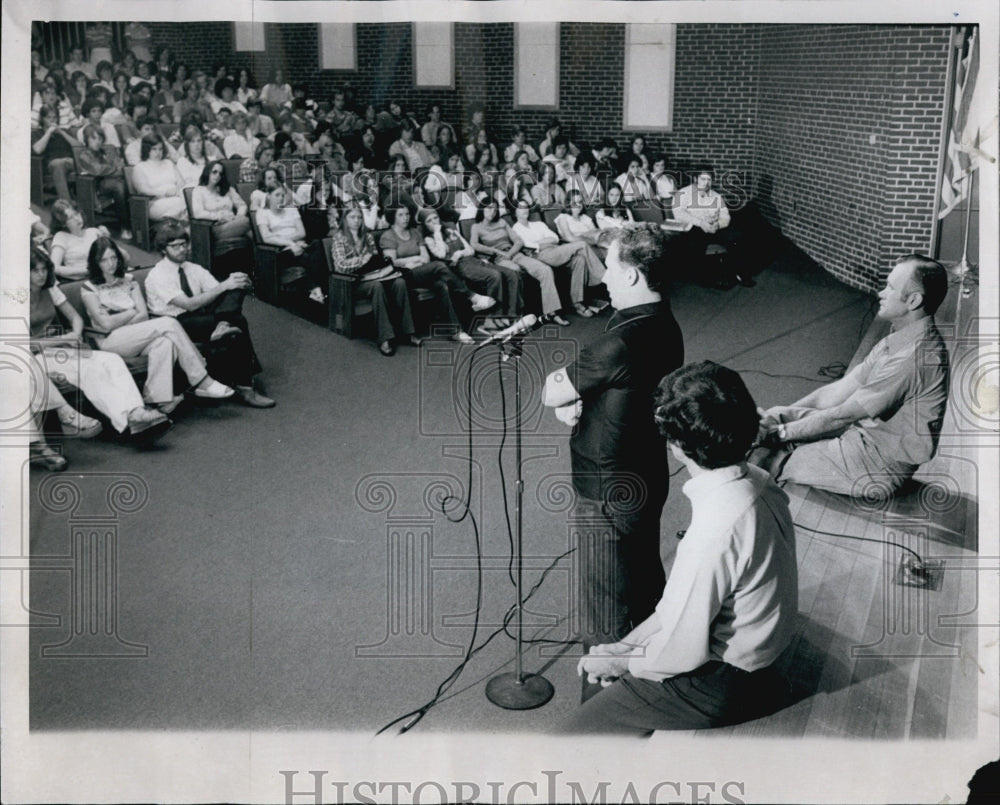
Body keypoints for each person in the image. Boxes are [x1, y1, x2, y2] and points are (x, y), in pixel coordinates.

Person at [562, 360, 797, 735]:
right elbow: (675, 613)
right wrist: (623, 647)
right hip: (758, 656)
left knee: (564, 740)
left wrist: (622, 664)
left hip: (727, 681)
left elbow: (681, 651)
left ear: (675, 447)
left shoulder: (714, 530)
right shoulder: (758, 480)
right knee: (608, 670)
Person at [541, 224, 684, 650]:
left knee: (606, 612)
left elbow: (552, 389)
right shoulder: (665, 324)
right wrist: (590, 401)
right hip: (646, 476)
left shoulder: (617, 342)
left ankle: (604, 705)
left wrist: (572, 398)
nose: (603, 277)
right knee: (642, 584)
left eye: (609, 267)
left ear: (633, 275)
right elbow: (631, 390)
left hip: (607, 490)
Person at [753, 255, 951, 497]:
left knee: (766, 458)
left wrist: (778, 434)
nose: (881, 293)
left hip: (878, 466)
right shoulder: (900, 337)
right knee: (774, 414)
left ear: (913, 300)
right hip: (862, 434)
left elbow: (841, 416)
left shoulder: (912, 358)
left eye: (889, 287)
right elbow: (841, 389)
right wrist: (781, 421)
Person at [29, 246, 171, 442]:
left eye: (44, 269)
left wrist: (75, 334)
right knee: (89, 371)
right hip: (36, 356)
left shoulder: (51, 289)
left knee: (111, 361)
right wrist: (64, 339)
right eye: (35, 270)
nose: (41, 274)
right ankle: (128, 419)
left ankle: (137, 411)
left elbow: (75, 318)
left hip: (65, 346)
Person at [80, 237, 234, 413]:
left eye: (113, 258)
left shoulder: (129, 280)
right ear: (95, 262)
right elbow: (106, 324)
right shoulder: (89, 287)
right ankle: (201, 380)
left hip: (136, 336)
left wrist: (122, 318)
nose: (111, 264)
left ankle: (156, 400)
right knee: (169, 323)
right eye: (104, 260)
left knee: (165, 343)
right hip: (110, 341)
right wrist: (131, 313)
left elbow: (143, 314)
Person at [144, 221, 274, 408]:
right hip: (175, 325)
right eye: (175, 246)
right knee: (237, 320)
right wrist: (224, 286)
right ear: (163, 249)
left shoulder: (193, 268)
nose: (182, 249)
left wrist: (236, 283)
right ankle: (245, 387)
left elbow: (217, 293)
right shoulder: (157, 275)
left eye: (184, 244)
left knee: (234, 290)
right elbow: (188, 305)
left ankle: (222, 325)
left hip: (201, 317)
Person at [379, 204, 488, 344]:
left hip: (421, 271)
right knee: (439, 266)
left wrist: (415, 261)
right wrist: (415, 259)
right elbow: (393, 262)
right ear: (392, 217)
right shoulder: (387, 236)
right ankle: (471, 295)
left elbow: (426, 259)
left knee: (442, 285)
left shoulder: (415, 232)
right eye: (400, 215)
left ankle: (455, 331)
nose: (405, 218)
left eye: (407, 214)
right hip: (403, 276)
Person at [330, 204, 421, 357]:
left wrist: (372, 263)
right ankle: (384, 338)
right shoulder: (339, 238)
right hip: (353, 282)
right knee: (377, 287)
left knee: (399, 282)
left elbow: (375, 258)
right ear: (345, 219)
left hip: (372, 275)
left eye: (359, 217)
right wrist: (361, 260)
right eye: (352, 217)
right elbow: (340, 266)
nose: (357, 221)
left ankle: (407, 331)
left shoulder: (368, 236)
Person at [469, 200, 569, 327]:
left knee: (545, 270)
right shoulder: (476, 227)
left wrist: (510, 253)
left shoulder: (502, 222)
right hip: (498, 259)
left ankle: (552, 313)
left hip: (515, 253)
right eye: (488, 208)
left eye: (495, 209)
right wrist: (494, 250)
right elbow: (474, 245)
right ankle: (517, 315)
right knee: (515, 271)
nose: (492, 212)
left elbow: (518, 241)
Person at [510, 199, 604, 319]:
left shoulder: (538, 224)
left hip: (554, 249)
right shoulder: (515, 229)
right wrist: (543, 242)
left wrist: (540, 242)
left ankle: (577, 302)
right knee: (582, 245)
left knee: (580, 259)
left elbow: (555, 238)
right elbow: (527, 245)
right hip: (540, 255)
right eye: (521, 207)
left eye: (527, 207)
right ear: (515, 211)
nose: (525, 210)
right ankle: (605, 278)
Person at [421, 208, 515, 323]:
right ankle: (493, 320)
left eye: (435, 218)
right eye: (429, 221)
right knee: (494, 275)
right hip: (460, 267)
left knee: (510, 273)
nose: (435, 222)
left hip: (473, 260)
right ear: (424, 225)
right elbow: (441, 254)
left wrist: (459, 253)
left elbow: (470, 250)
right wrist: (437, 233)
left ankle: (510, 315)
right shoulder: (429, 239)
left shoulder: (451, 229)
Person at [255, 184, 329, 303]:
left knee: (318, 244)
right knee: (309, 257)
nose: (280, 198)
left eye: (283, 195)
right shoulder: (262, 213)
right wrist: (290, 243)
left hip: (299, 245)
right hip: (280, 251)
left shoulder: (292, 209)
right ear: (269, 196)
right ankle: (319, 289)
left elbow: (302, 232)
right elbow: (267, 238)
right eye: (277, 195)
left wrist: (287, 240)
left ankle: (316, 290)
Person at [191, 160, 253, 277]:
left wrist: (238, 216)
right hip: (215, 229)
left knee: (248, 228)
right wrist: (220, 216)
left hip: (235, 224)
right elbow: (198, 213)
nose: (217, 176)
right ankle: (262, 264)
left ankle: (256, 266)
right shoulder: (199, 191)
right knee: (250, 222)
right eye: (214, 172)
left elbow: (242, 205)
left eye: (220, 173)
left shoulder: (227, 189)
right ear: (207, 172)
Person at [75, 124, 132, 241]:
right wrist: (115, 169)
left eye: (100, 138)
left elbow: (120, 165)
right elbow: (97, 170)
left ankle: (132, 224)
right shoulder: (84, 155)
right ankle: (125, 227)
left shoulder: (108, 150)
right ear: (87, 140)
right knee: (119, 186)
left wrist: (113, 168)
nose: (97, 142)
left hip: (114, 181)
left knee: (124, 184)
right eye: (93, 138)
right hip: (96, 186)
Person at [130, 134, 188, 223]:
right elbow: (143, 190)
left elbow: (181, 183)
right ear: (146, 149)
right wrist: (165, 193)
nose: (158, 153)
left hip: (177, 198)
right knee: (187, 205)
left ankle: (180, 223)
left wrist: (177, 190)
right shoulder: (139, 167)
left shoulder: (169, 163)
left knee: (189, 200)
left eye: (160, 149)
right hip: (155, 203)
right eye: (154, 149)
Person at [49, 199, 112, 281]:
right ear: (63, 223)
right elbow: (54, 268)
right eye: (71, 217)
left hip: (102, 276)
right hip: (79, 282)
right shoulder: (61, 237)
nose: (77, 218)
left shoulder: (93, 232)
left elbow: (111, 256)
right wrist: (87, 270)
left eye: (77, 213)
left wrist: (108, 239)